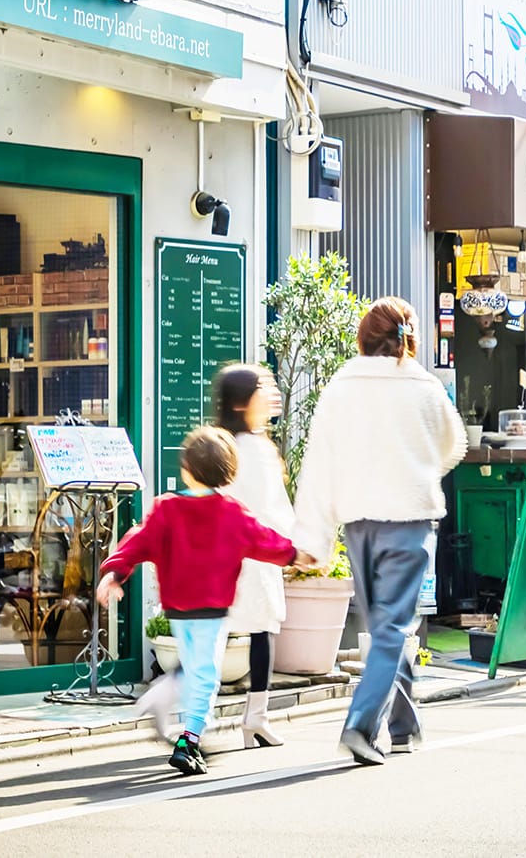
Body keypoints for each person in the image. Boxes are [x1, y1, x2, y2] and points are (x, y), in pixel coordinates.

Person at [293, 297, 467, 766]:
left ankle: (404, 725)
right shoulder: (426, 387)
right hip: (408, 520)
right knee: (393, 627)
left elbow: (319, 463)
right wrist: (421, 466)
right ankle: (361, 723)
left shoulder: (341, 387)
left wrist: (313, 538)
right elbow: (454, 444)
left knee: (385, 626)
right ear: (409, 337)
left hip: (358, 523)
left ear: (363, 338)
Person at [97, 426, 302, 776]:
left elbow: (138, 541)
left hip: (177, 608)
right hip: (212, 609)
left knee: (194, 666)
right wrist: (295, 555)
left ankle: (165, 700)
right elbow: (265, 541)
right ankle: (189, 740)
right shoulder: (232, 512)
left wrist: (115, 572)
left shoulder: (166, 508)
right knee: (206, 674)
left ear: (186, 469)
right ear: (229, 474)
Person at [214, 363, 295, 749]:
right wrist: (295, 548)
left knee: (217, 635)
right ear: (242, 402)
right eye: (264, 387)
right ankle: (254, 718)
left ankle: (210, 719)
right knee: (259, 631)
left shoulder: (225, 443)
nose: (272, 393)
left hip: (227, 556)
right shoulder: (254, 448)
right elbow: (270, 509)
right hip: (254, 554)